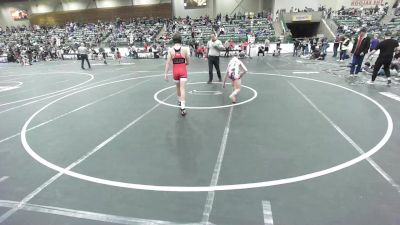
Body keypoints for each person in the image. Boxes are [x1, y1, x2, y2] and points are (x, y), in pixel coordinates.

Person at [164, 33, 190, 116]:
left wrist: (165, 74)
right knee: (183, 89)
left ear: (173, 41)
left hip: (175, 72)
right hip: (183, 71)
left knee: (178, 88)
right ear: (180, 40)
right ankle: (183, 108)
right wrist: (185, 64)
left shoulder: (170, 50)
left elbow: (167, 63)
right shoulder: (185, 49)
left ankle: (179, 100)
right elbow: (188, 61)